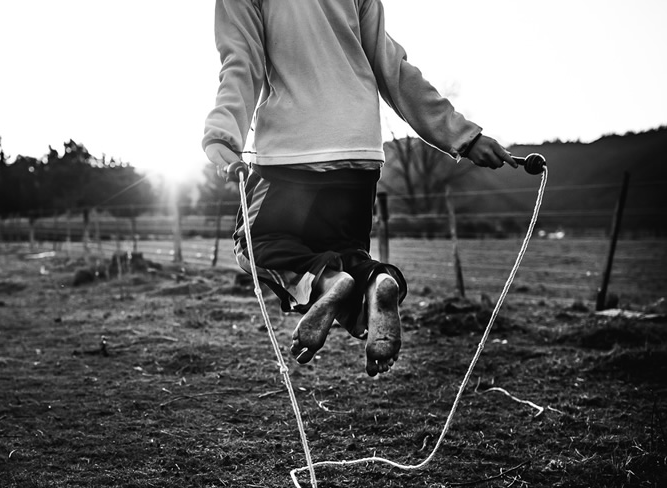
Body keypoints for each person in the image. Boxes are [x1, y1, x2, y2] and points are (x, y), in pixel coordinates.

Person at [203, 0, 517, 376]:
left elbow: (242, 63)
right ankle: (377, 280)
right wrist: (463, 137)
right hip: (360, 152)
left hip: (293, 153)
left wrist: (222, 137)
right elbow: (392, 67)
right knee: (345, 252)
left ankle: (327, 282)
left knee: (254, 244)